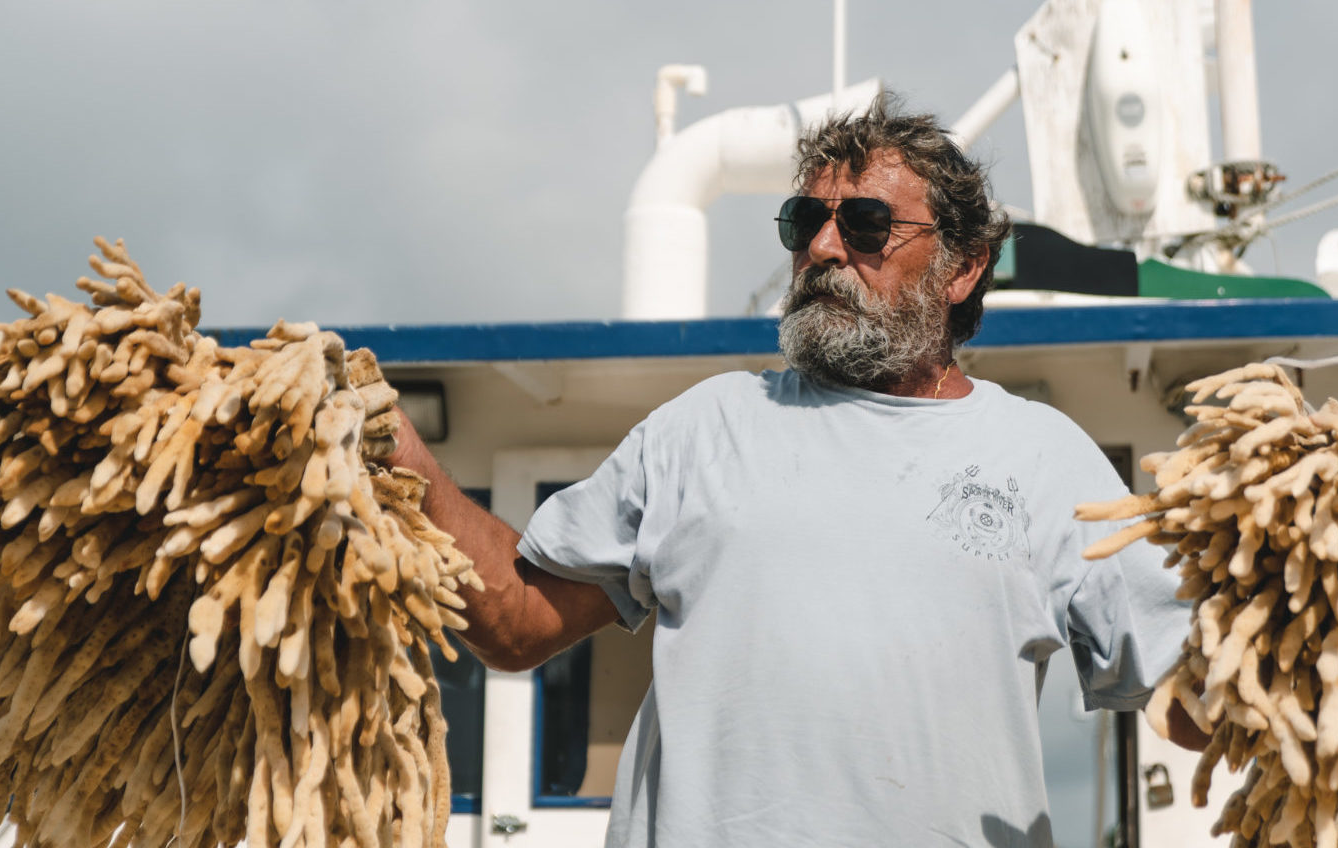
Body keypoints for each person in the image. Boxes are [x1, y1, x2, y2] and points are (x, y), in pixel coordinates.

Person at [384, 94, 1198, 848]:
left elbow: (1195, 693)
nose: (821, 247)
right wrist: (397, 451)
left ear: (962, 269)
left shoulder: (1045, 461)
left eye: (868, 224)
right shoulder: (702, 431)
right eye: (805, 219)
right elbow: (518, 621)